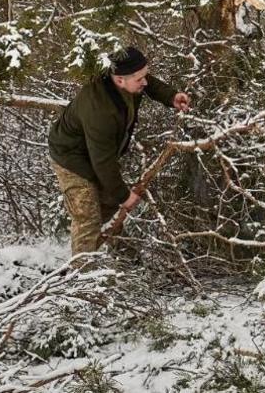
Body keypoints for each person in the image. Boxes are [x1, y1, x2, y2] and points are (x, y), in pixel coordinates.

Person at [48, 46, 191, 256]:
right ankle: (82, 279)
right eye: (139, 79)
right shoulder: (100, 109)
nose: (145, 82)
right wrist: (124, 195)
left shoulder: (127, 79)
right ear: (120, 80)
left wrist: (171, 97)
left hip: (96, 153)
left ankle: (117, 261)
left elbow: (148, 82)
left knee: (109, 206)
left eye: (145, 76)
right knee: (87, 216)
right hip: (71, 158)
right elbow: (103, 163)